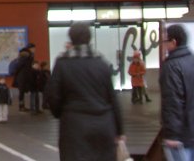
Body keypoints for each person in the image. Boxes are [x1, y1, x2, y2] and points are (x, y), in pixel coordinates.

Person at [47, 22, 125, 161]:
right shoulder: (101, 63)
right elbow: (112, 98)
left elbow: (53, 96)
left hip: (74, 126)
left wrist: (61, 113)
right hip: (104, 125)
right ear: (90, 38)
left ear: (71, 38)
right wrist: (119, 130)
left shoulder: (63, 64)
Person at [160, 23, 194, 159]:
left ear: (173, 42)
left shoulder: (171, 66)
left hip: (181, 136)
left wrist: (172, 134)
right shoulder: (191, 60)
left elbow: (172, 101)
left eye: (164, 41)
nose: (162, 45)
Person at [12, 43, 36, 112]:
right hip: (22, 76)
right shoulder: (25, 55)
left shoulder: (29, 55)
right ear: (30, 48)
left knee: (23, 91)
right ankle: (21, 106)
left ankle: (23, 106)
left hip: (25, 75)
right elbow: (20, 65)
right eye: (34, 48)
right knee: (21, 91)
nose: (35, 50)